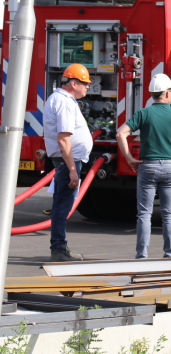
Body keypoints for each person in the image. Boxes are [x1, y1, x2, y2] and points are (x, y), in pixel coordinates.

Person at [117, 73, 171, 259]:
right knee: (168, 214)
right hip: (170, 167)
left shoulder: (143, 114)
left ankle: (142, 256)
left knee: (144, 214)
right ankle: (169, 254)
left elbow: (121, 134)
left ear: (152, 94)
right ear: (166, 93)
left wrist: (129, 158)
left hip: (147, 167)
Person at [42, 64, 94, 261]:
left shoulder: (60, 99)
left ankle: (60, 247)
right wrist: (72, 169)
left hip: (66, 160)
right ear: (74, 83)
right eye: (85, 83)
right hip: (67, 161)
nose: (87, 87)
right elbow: (64, 139)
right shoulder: (64, 102)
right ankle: (58, 249)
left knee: (61, 204)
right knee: (63, 205)